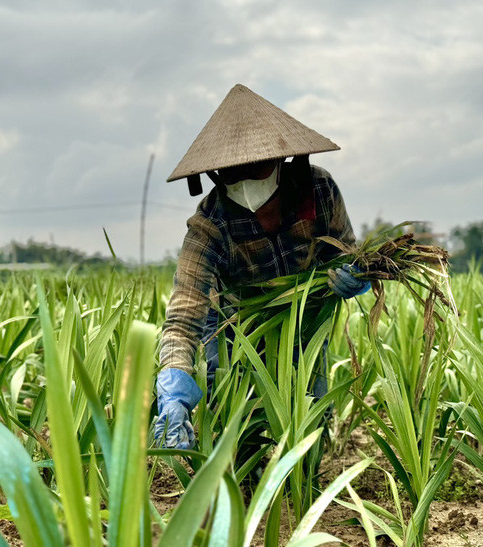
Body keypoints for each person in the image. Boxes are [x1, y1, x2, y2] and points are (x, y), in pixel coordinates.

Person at [155, 84, 370, 449]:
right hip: (233, 328)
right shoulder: (211, 224)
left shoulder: (319, 191)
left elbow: (346, 254)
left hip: (305, 321)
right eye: (230, 173)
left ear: (280, 160)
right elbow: (183, 316)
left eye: (254, 167)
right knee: (240, 430)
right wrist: (173, 385)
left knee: (309, 424)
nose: (243, 181)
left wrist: (356, 275)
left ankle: (304, 489)